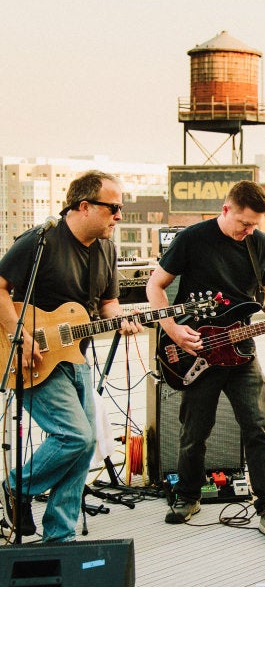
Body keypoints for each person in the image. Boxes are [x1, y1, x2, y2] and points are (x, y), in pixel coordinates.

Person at [146, 180, 265, 544]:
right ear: (226, 210)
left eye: (255, 225)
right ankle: (189, 496)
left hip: (241, 351)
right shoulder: (193, 238)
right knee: (194, 432)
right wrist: (173, 331)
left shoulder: (259, 244)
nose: (249, 231)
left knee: (257, 429)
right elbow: (154, 285)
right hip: (198, 351)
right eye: (244, 223)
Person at [0, 172, 130, 543]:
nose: (119, 215)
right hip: (32, 356)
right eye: (114, 207)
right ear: (84, 206)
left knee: (86, 442)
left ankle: (59, 536)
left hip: (75, 357)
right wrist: (18, 336)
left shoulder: (107, 248)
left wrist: (123, 321)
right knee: (74, 436)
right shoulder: (40, 241)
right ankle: (15, 487)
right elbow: (0, 287)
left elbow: (108, 304)